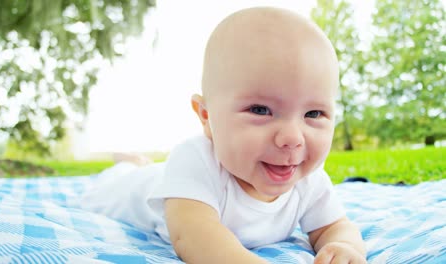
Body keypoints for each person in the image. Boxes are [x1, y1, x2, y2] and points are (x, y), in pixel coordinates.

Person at [81, 6, 366, 264]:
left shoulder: (309, 181)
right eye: (260, 109)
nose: (292, 138)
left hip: (164, 176)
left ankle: (137, 162)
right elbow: (194, 236)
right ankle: (128, 164)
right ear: (206, 116)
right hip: (126, 189)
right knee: (122, 175)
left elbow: (333, 226)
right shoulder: (195, 159)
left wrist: (343, 246)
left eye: (313, 114)